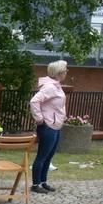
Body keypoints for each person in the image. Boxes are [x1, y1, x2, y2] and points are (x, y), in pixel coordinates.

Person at [29, 60, 68, 193]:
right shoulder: (50, 87)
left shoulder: (56, 86)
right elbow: (34, 101)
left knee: (49, 156)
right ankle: (35, 184)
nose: (66, 73)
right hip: (48, 126)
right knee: (42, 156)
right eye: (65, 71)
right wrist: (40, 119)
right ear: (59, 73)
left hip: (55, 125)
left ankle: (43, 181)